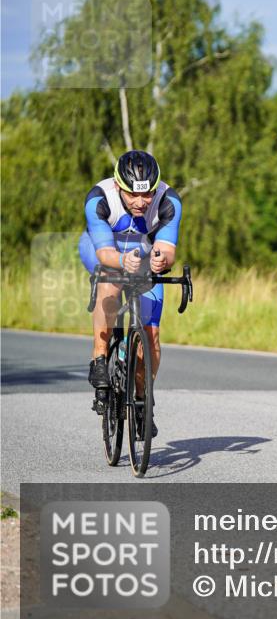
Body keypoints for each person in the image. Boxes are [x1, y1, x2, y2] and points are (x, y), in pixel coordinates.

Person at [79, 150, 182, 438]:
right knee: (110, 280)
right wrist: (122, 262)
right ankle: (99, 357)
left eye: (147, 195)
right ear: (118, 186)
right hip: (103, 249)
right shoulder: (99, 198)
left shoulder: (169, 201)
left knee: (151, 338)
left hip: (143, 255)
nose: (140, 203)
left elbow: (168, 248)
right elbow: (103, 252)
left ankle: (142, 401)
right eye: (132, 195)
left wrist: (162, 259)